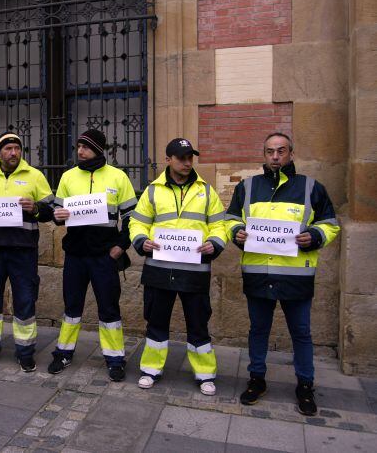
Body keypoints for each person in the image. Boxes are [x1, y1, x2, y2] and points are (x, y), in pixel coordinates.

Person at [225, 132, 340, 416]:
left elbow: (330, 223)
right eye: (270, 152)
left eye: (281, 151)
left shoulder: (312, 187)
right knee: (258, 331)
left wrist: (314, 235)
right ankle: (257, 379)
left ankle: (305, 385)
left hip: (296, 277)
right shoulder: (247, 187)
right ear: (263, 155)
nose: (275, 156)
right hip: (258, 275)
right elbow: (230, 219)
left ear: (291, 154)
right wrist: (235, 233)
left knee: (301, 333)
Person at [129, 138, 227, 396]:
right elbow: (137, 223)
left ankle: (205, 374)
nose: (186, 162)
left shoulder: (206, 191)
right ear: (168, 160)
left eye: (190, 158)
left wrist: (214, 244)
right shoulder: (152, 191)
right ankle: (150, 369)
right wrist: (141, 241)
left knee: (198, 324)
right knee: (156, 322)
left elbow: (220, 225)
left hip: (195, 271)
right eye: (181, 158)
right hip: (159, 270)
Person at [49, 129, 137, 382]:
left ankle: (115, 358)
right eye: (78, 146)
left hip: (104, 256)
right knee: (71, 306)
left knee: (109, 307)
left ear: (99, 149)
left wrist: (121, 246)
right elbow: (57, 212)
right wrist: (58, 216)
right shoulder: (68, 177)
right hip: (75, 255)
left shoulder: (118, 177)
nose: (80, 151)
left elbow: (132, 218)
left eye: (85, 146)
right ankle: (63, 352)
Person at [0, 132, 54, 372]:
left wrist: (36, 207)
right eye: (8, 149)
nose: (13, 153)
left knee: (25, 299)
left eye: (17, 148)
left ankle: (25, 351)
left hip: (23, 250)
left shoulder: (34, 176)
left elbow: (52, 210)